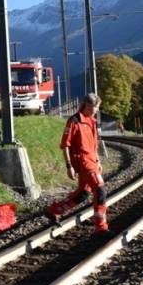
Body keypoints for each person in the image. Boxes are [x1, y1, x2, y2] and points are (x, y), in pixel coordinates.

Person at [47, 93, 108, 233]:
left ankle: (53, 210)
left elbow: (93, 144)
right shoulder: (74, 121)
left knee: (83, 194)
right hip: (83, 162)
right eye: (96, 107)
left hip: (92, 161)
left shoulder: (92, 121)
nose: (97, 109)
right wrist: (69, 166)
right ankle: (101, 227)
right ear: (87, 105)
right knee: (100, 190)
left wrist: (98, 161)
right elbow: (65, 144)